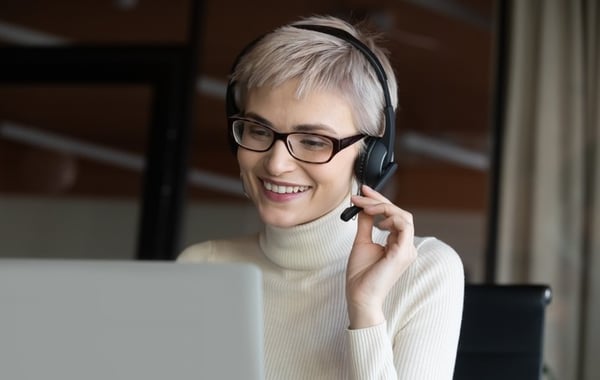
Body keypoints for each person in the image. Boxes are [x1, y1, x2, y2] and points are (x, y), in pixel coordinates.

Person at [178, 14, 464, 379]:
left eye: (313, 141)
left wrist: (364, 309)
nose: (277, 164)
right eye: (258, 130)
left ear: (370, 157)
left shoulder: (423, 272)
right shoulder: (203, 267)